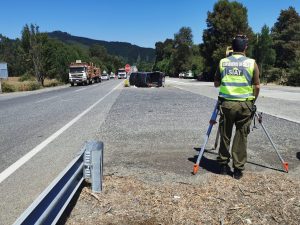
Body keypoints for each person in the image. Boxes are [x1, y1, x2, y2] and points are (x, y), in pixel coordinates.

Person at [214, 34, 260, 179]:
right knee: (241, 136)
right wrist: (252, 101)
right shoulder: (252, 63)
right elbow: (257, 86)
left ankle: (222, 165)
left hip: (227, 104)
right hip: (245, 104)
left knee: (225, 134)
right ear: (245, 47)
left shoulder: (223, 62)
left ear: (231, 48)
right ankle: (238, 169)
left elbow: (216, 83)